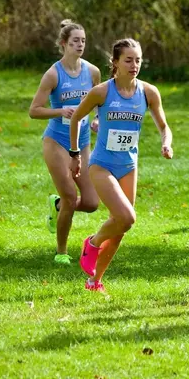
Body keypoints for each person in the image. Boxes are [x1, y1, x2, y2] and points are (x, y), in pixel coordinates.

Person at [71, 38, 173, 293]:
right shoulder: (102, 92)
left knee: (121, 228)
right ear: (115, 62)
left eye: (138, 60)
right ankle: (92, 243)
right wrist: (75, 153)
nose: (134, 65)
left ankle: (94, 282)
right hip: (102, 165)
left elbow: (164, 126)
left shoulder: (148, 92)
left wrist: (166, 143)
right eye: (128, 60)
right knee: (126, 217)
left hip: (129, 165)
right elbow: (75, 119)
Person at [28, 20, 101, 265]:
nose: (80, 45)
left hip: (82, 142)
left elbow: (99, 101)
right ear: (63, 44)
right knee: (71, 196)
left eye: (83, 41)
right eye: (75, 41)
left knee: (91, 203)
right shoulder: (53, 74)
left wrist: (97, 120)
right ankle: (61, 252)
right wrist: (60, 111)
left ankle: (57, 205)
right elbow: (34, 110)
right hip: (57, 141)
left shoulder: (92, 72)